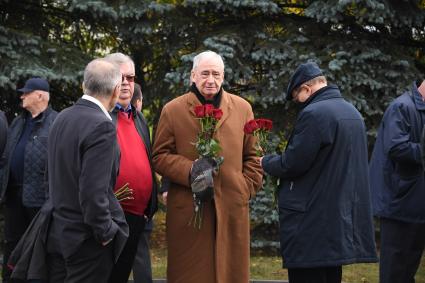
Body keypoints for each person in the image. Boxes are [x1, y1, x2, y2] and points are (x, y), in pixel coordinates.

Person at [261, 62, 377, 283]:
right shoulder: (351, 111)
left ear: (306, 88)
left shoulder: (314, 113)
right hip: (337, 219)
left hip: (311, 222)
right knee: (331, 276)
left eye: (296, 96)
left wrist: (265, 161)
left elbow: (293, 164)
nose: (297, 103)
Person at [152, 50, 263, 283]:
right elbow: (160, 156)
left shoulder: (243, 108)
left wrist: (246, 188)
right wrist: (191, 170)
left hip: (232, 206)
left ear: (223, 77)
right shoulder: (173, 110)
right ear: (193, 75)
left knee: (231, 273)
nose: (210, 80)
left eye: (216, 74)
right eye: (204, 74)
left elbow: (253, 155)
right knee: (190, 274)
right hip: (189, 210)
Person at [46, 58, 128, 283]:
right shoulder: (101, 126)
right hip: (86, 240)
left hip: (58, 232)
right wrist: (104, 231)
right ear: (115, 90)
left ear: (84, 86)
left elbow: (50, 176)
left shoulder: (62, 117)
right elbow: (93, 191)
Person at [104, 53, 158, 283]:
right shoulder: (101, 116)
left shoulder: (139, 119)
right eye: (120, 77)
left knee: (123, 274)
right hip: (109, 217)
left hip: (137, 218)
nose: (126, 83)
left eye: (130, 77)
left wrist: (150, 204)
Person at [0, 77, 58, 282]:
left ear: (40, 95)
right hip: (14, 195)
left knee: (36, 248)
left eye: (27, 92)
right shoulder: (18, 121)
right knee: (12, 244)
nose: (22, 95)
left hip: (39, 199)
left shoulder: (55, 122)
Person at [369, 79, 425, 283]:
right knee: (395, 271)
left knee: (408, 269)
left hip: (416, 205)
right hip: (398, 205)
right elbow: (396, 147)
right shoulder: (402, 107)